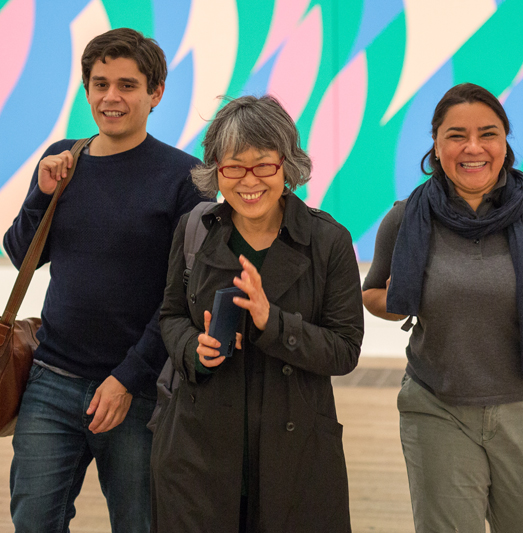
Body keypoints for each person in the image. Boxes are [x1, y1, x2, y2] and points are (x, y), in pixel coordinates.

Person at [362, 83, 523, 533]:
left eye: (488, 133)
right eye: (456, 135)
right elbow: (372, 295)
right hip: (437, 407)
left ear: (505, 142)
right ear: (436, 144)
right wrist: (400, 299)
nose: (473, 147)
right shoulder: (406, 219)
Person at [2, 28, 204, 532]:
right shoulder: (64, 158)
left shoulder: (186, 178)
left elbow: (185, 295)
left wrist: (128, 378)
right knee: (33, 523)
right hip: (50, 381)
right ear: (87, 89)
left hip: (138, 391)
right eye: (100, 84)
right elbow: (21, 254)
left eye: (127, 85)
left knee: (140, 525)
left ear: (156, 93)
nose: (111, 97)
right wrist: (42, 193)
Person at [150, 94, 364, 532]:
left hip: (296, 459)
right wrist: (194, 350)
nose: (249, 181)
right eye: (234, 167)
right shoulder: (195, 230)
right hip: (196, 457)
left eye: (263, 165)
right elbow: (170, 315)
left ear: (287, 166)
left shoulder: (328, 241)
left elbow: (345, 350)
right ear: (216, 170)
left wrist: (273, 323)